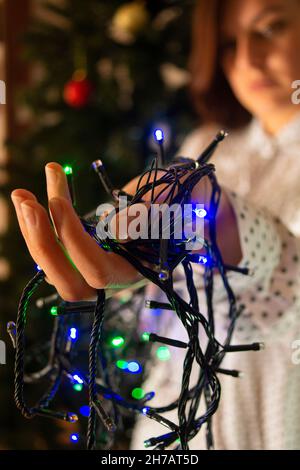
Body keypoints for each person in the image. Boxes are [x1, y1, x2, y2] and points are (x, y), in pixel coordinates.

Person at [10, 0, 300, 450]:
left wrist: (207, 210)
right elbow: (160, 284)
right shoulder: (207, 142)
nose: (247, 58)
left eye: (270, 28)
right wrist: (118, 243)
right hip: (175, 422)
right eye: (228, 43)